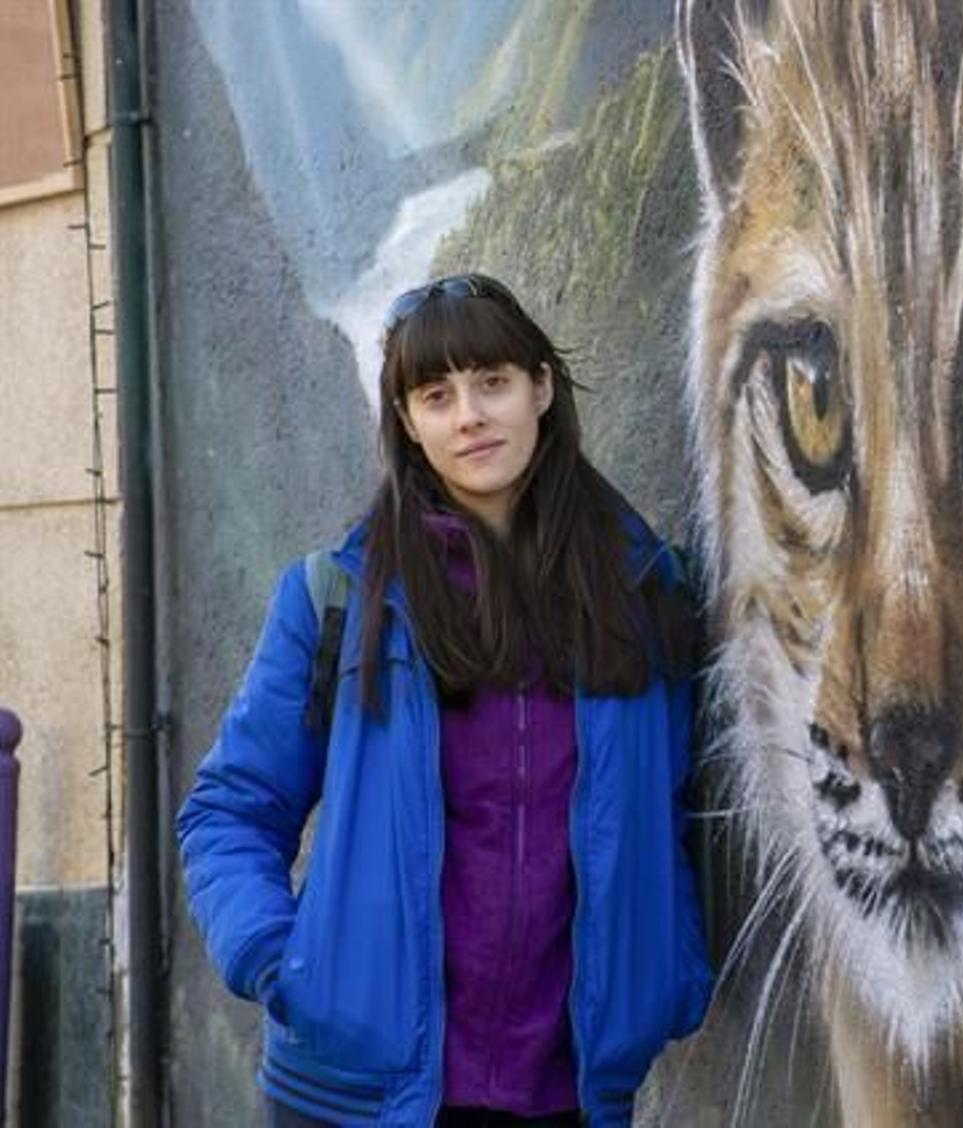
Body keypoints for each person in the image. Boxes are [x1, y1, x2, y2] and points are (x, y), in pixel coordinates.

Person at [177, 273, 713, 1127]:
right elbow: (230, 810)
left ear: (541, 388)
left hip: (570, 1095)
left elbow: (676, 814)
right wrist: (284, 964)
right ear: (407, 422)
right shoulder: (338, 600)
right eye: (436, 395)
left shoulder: (645, 595)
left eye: (492, 382)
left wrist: (669, 977)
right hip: (357, 1098)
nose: (469, 416)